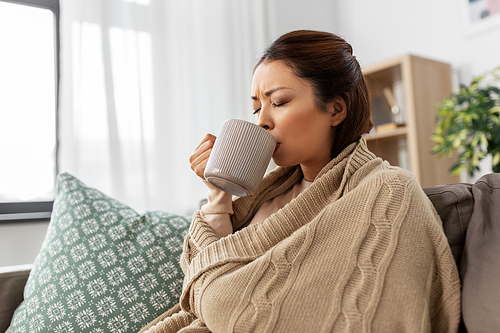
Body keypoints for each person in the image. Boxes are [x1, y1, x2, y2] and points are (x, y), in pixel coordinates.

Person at [140, 30, 461, 332]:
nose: (262, 120)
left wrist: (212, 294)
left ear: (336, 109)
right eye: (256, 108)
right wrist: (219, 196)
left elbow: (226, 305)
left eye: (278, 102)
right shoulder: (265, 194)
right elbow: (204, 287)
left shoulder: (387, 192)